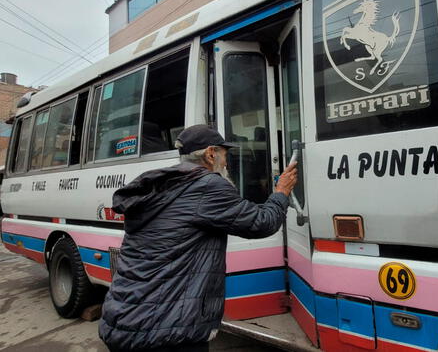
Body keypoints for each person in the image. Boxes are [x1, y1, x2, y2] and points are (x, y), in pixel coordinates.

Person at [98, 124, 298, 352]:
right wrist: (281, 192)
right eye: (225, 155)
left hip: (124, 320)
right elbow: (262, 223)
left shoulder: (165, 185)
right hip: (165, 331)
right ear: (211, 153)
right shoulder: (207, 186)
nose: (226, 162)